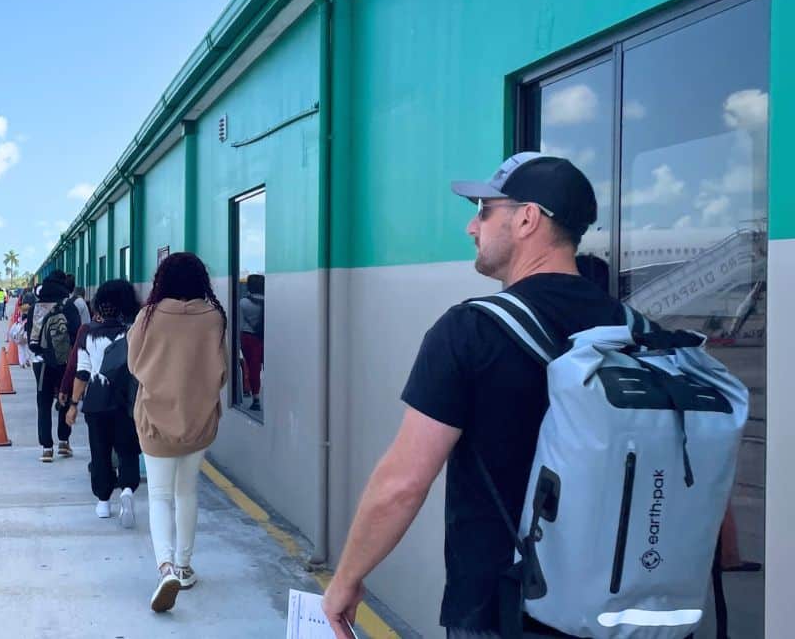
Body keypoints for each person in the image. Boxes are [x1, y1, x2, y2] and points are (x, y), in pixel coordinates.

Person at [322, 153, 622, 639]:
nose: (471, 226)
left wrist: (346, 580)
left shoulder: (470, 331)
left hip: (507, 611)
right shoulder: (636, 332)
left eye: (484, 210)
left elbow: (403, 483)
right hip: (620, 609)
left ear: (527, 219)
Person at [127, 252, 227, 613]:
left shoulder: (149, 316)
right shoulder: (214, 317)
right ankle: (184, 567)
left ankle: (165, 567)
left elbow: (134, 365)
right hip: (199, 420)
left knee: (158, 495)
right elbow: (222, 371)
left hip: (155, 419)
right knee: (187, 492)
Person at [65, 279, 143, 526]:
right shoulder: (133, 333)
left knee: (100, 451)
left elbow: (82, 372)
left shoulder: (88, 335)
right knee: (128, 449)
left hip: (96, 403)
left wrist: (73, 404)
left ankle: (103, 502)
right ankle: (128, 490)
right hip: (126, 403)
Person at [25, 270, 82, 463]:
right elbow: (76, 335)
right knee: (64, 399)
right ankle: (64, 442)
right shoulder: (69, 306)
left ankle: (47, 448)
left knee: (43, 403)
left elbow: (29, 335)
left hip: (41, 363)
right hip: (64, 363)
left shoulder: (35, 307)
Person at [238, 274, 265, 410]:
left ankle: (256, 399)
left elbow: (240, 323)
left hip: (249, 337)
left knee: (253, 368)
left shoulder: (243, 303)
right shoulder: (269, 301)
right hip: (266, 338)